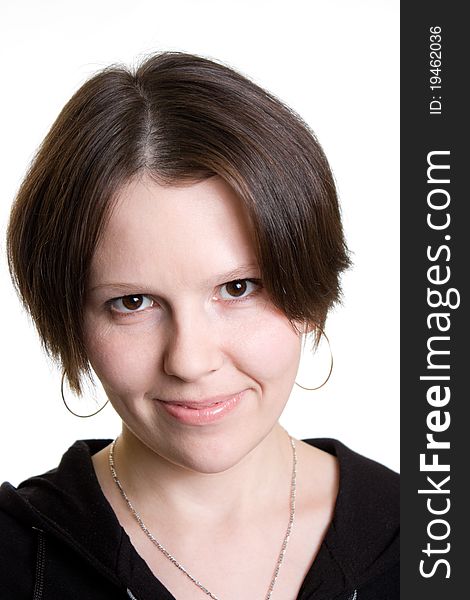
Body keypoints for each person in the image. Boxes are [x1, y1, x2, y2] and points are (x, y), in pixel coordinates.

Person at [0, 52, 398, 599]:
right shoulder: (17, 558)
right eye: (133, 302)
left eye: (238, 288)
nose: (189, 360)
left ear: (311, 287)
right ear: (72, 319)